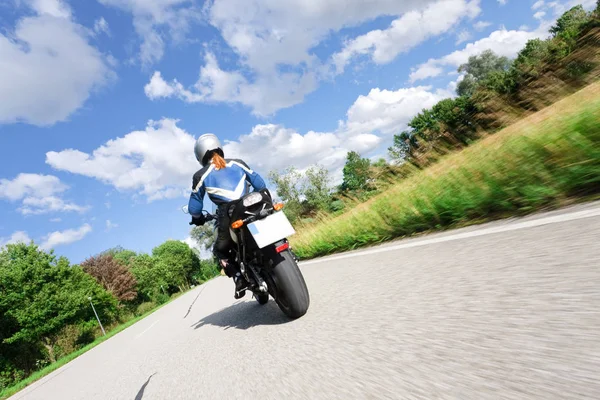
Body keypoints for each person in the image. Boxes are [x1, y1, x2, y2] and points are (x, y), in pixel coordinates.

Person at [188, 133, 267, 297]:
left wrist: (198, 218)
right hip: (254, 203)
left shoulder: (201, 175)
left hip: (228, 213)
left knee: (221, 250)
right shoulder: (238, 163)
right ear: (219, 147)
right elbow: (260, 184)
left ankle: (239, 278)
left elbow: (195, 208)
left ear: (200, 155)